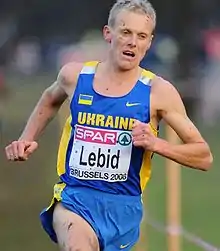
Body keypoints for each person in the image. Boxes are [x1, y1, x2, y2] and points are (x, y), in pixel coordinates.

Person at [5, 0, 213, 250]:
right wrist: (27, 138)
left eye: (141, 36)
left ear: (149, 43)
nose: (132, 42)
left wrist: (156, 143)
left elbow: (203, 156)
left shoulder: (158, 92)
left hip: (123, 210)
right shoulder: (74, 76)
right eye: (125, 32)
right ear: (108, 33)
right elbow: (50, 99)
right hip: (74, 199)